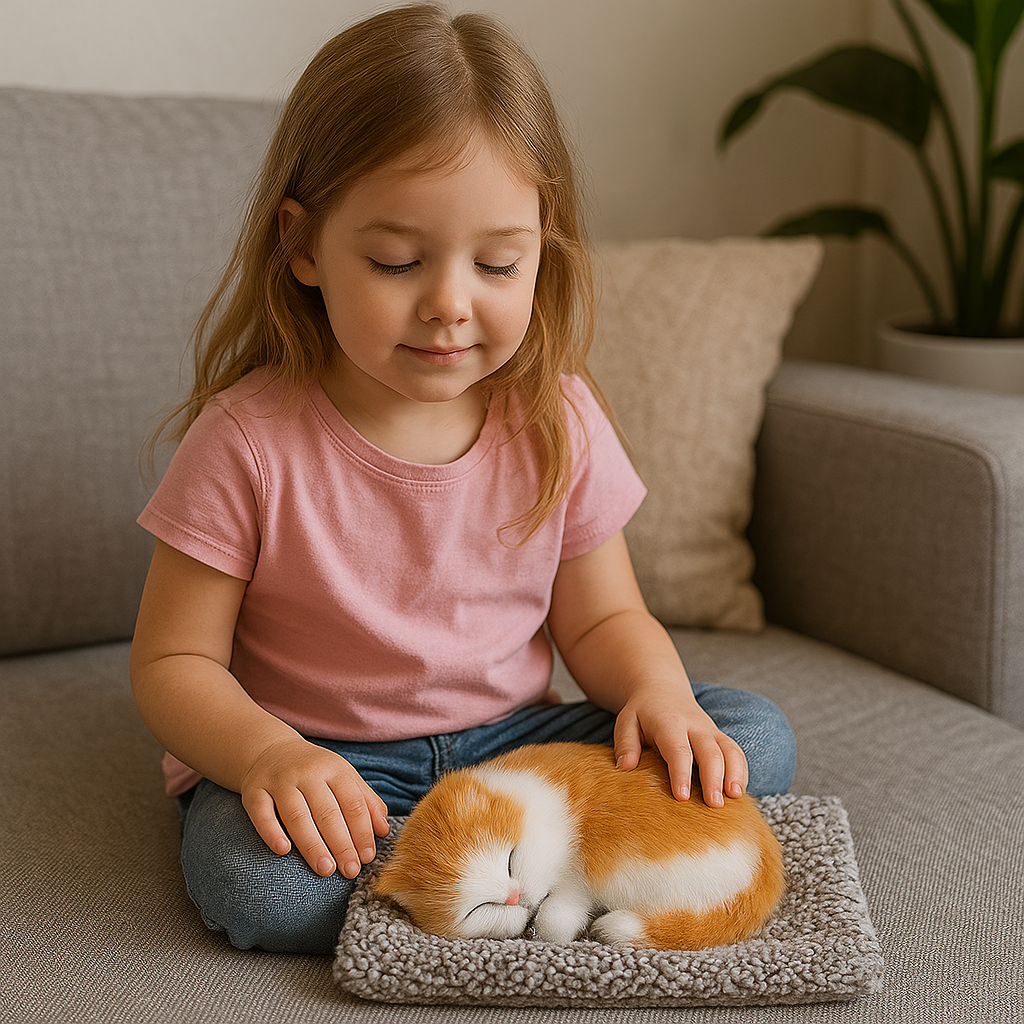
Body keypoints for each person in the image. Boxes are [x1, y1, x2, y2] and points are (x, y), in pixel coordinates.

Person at [130, 3, 796, 955]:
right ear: (304, 243)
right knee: (259, 888)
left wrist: (659, 695)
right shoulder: (247, 440)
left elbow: (603, 621)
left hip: (516, 753)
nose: (449, 303)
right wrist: (270, 756)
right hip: (333, 759)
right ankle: (505, 868)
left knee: (752, 739)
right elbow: (173, 665)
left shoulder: (554, 415)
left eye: (495, 262)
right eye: (397, 260)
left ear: (541, 243)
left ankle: (471, 870)